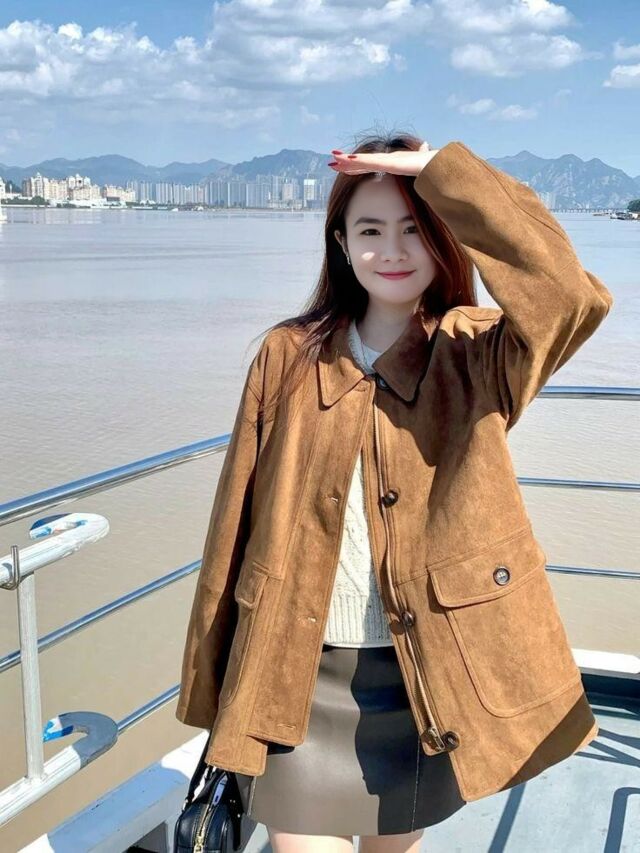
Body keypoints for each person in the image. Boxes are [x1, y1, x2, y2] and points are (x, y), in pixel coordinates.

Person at [175, 133, 613, 853]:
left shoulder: (476, 353)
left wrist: (441, 172)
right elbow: (235, 522)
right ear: (341, 244)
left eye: (414, 228)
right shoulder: (289, 355)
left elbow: (569, 295)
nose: (393, 250)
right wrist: (216, 689)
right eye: (371, 230)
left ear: (444, 238)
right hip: (294, 672)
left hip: (422, 677)